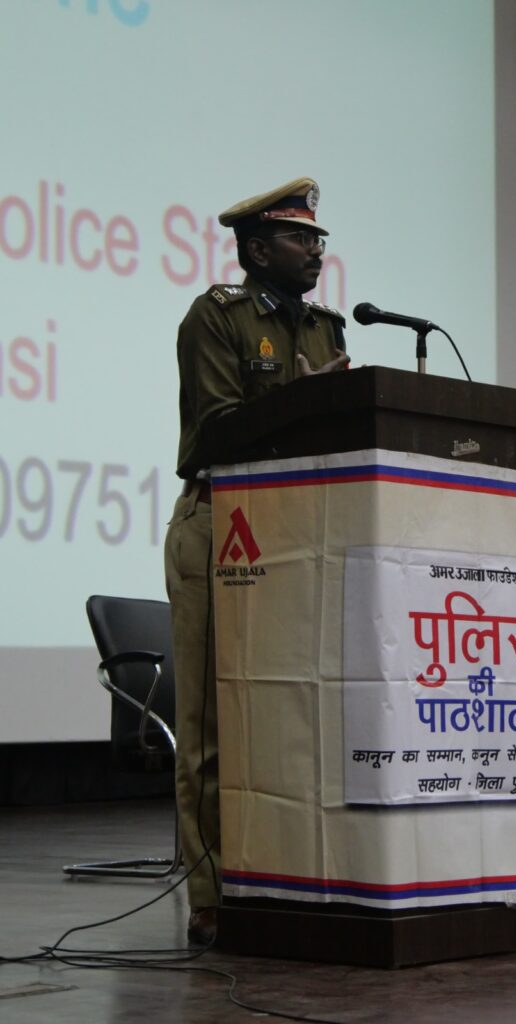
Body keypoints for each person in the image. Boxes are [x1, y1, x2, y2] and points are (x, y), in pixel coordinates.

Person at [164, 177, 349, 945]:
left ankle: (286, 877)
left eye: (317, 238)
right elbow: (215, 430)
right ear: (256, 249)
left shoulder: (329, 329)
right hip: (222, 523)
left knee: (291, 716)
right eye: (299, 237)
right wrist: (303, 401)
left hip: (300, 532)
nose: (315, 249)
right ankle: (210, 893)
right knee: (211, 721)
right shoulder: (217, 316)